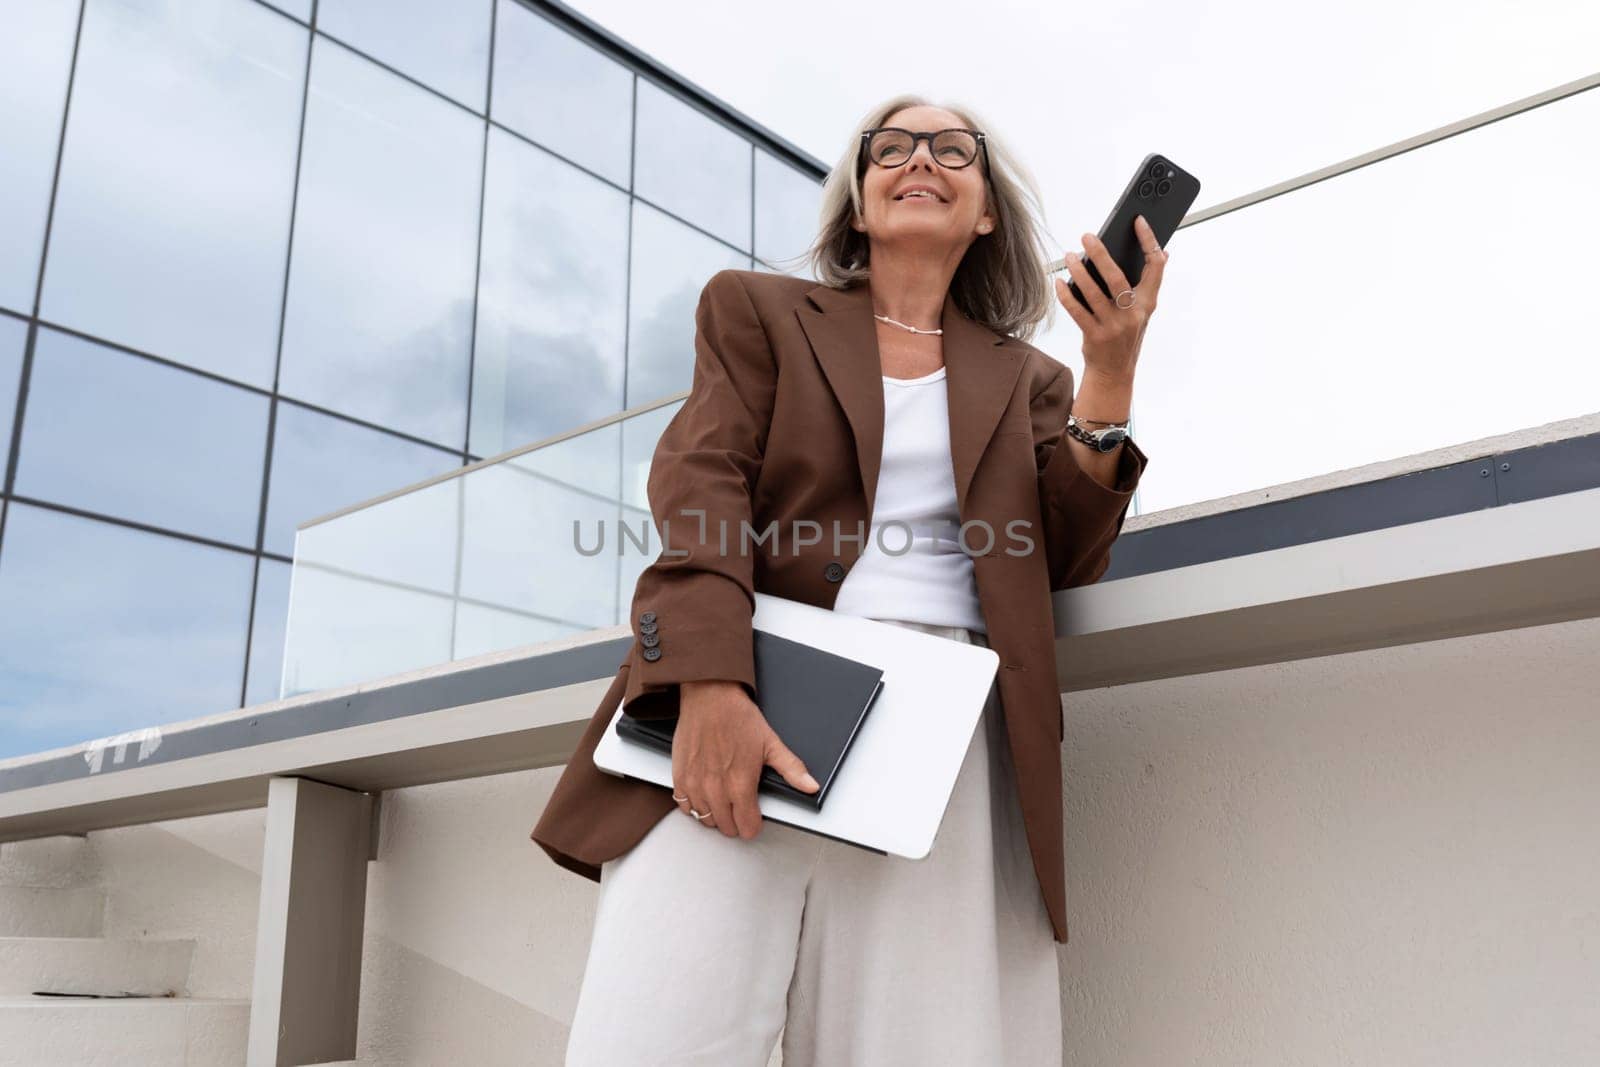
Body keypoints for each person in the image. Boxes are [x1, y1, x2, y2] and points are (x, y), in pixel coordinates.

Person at [531, 92, 1166, 1065]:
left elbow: (1066, 553)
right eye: (893, 146)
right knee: (656, 1027)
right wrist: (707, 679)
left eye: (954, 149)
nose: (920, 157)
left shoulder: (1030, 380)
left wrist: (1108, 374)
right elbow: (699, 491)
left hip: (942, 733)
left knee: (919, 1041)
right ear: (859, 203)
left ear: (986, 210)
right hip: (755, 686)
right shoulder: (757, 313)